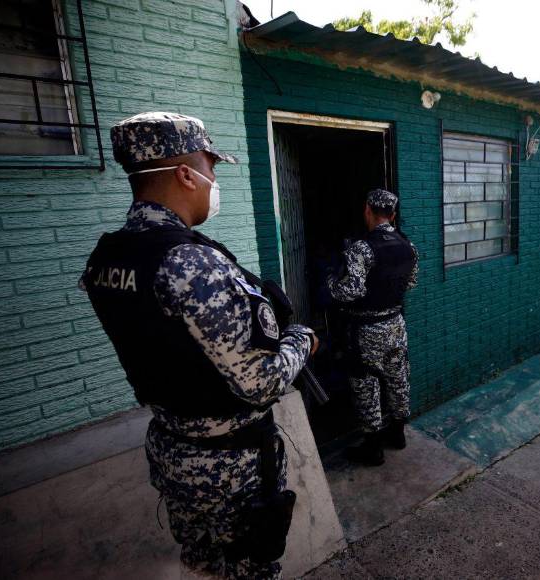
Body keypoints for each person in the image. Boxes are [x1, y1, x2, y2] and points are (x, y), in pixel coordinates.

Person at [80, 112, 318, 579]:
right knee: (252, 568)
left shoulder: (108, 257)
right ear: (186, 175)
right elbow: (258, 382)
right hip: (230, 465)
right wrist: (301, 343)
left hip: (172, 452)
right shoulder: (190, 262)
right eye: (210, 169)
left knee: (204, 565)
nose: (214, 180)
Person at [326, 189, 418, 466]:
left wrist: (330, 282)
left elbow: (351, 291)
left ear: (367, 210)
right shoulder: (408, 245)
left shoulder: (361, 248)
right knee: (398, 377)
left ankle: (373, 447)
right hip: (396, 325)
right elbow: (411, 283)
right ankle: (398, 434)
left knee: (365, 384)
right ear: (392, 214)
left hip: (367, 328)